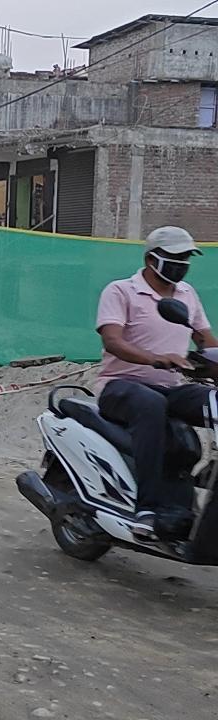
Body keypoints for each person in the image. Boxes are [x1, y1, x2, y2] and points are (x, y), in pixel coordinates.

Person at [96, 226, 218, 535]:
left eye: (187, 258)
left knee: (213, 402)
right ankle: (146, 508)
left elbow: (205, 340)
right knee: (151, 404)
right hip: (120, 385)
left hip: (170, 388)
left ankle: (208, 479)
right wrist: (155, 358)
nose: (182, 265)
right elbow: (113, 341)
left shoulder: (187, 294)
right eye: (175, 257)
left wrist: (212, 361)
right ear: (151, 259)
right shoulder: (121, 291)